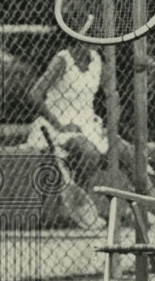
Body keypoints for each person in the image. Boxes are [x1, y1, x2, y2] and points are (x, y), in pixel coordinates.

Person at [28, 40, 141, 189]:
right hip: (58, 126)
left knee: (127, 151)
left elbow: (112, 95)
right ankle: (81, 202)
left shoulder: (96, 60)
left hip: (89, 126)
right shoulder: (62, 60)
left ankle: (150, 202)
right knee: (90, 153)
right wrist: (59, 125)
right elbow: (35, 94)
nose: (98, 43)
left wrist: (111, 126)